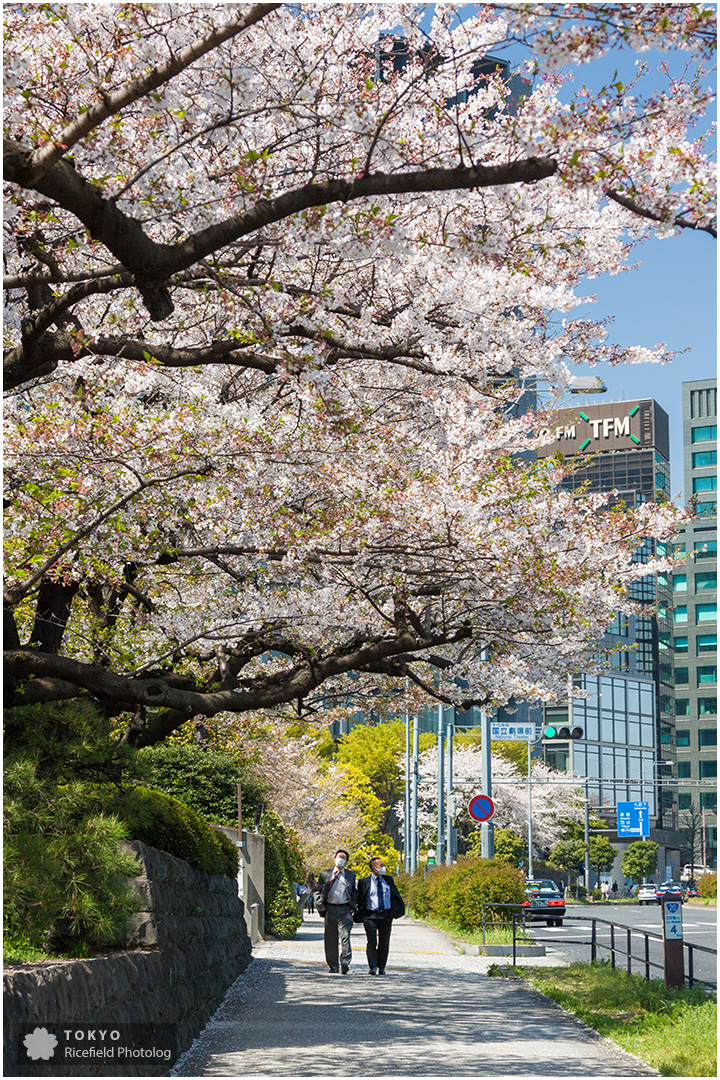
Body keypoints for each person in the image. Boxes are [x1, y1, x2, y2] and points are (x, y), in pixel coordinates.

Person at [356, 856, 406, 975]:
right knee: (371, 942)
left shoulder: (388, 880)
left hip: (386, 915)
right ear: (374, 868)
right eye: (381, 865)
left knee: (384, 942)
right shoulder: (364, 882)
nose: (383, 868)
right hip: (370, 916)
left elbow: (395, 896)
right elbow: (360, 899)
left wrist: (394, 912)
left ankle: (382, 967)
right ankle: (372, 966)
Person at [315, 848, 358, 974]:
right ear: (334, 859)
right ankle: (333, 965)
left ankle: (345, 962)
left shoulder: (351, 875)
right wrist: (319, 904)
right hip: (330, 908)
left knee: (345, 936)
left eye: (343, 858)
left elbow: (354, 892)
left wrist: (353, 906)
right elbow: (317, 890)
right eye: (339, 856)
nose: (341, 859)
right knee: (330, 938)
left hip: (345, 909)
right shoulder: (325, 874)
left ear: (346, 862)